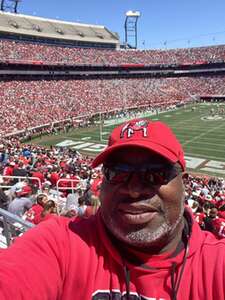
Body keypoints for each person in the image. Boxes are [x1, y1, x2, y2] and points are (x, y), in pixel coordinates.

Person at [0, 118, 224, 300]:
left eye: (155, 173)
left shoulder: (216, 263)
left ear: (183, 183)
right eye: (118, 173)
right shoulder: (60, 243)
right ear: (103, 181)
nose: (134, 190)